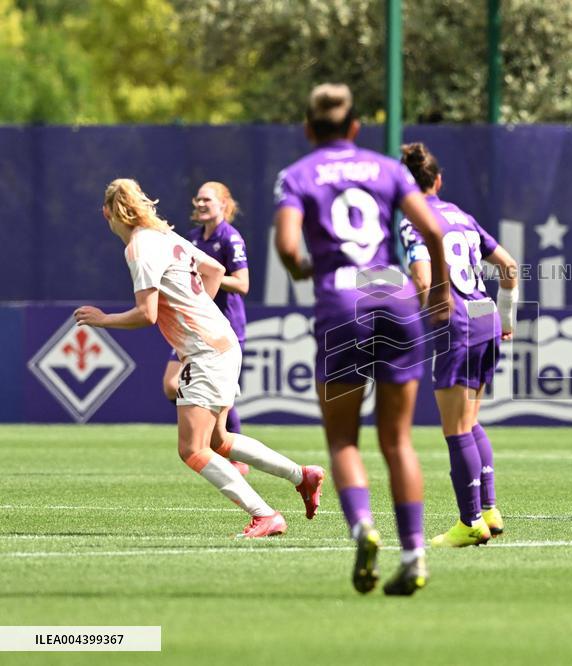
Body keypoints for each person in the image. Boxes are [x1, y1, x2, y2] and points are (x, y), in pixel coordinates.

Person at [273, 84, 452, 596]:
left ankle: (363, 528)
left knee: (343, 440)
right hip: (394, 295)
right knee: (397, 440)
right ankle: (415, 554)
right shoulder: (388, 169)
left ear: (309, 129)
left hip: (341, 301)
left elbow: (287, 246)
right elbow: (434, 233)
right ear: (355, 128)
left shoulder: (297, 175)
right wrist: (438, 292)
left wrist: (305, 267)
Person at [74, 178, 325, 538]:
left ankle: (265, 514)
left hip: (206, 351)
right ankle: (303, 476)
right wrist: (197, 314)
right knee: (220, 441)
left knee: (192, 450)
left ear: (108, 213)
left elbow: (147, 314)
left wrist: (103, 320)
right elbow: (216, 271)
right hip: (222, 341)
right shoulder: (165, 236)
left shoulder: (140, 248)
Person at [398, 142, 518, 548]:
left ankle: (469, 523)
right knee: (470, 421)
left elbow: (421, 279)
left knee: (454, 429)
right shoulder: (461, 215)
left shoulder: (413, 220)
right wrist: (506, 318)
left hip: (457, 322)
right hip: (485, 313)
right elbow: (509, 267)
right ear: (439, 180)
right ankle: (488, 510)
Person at [162, 181, 251, 476]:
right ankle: (213, 438)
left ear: (223, 204)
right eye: (197, 200)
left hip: (223, 326)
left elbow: (242, 284)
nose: (200, 204)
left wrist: (210, 275)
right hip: (192, 325)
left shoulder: (230, 238)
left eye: (207, 200)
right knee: (170, 385)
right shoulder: (193, 237)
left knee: (220, 396)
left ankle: (230, 453)